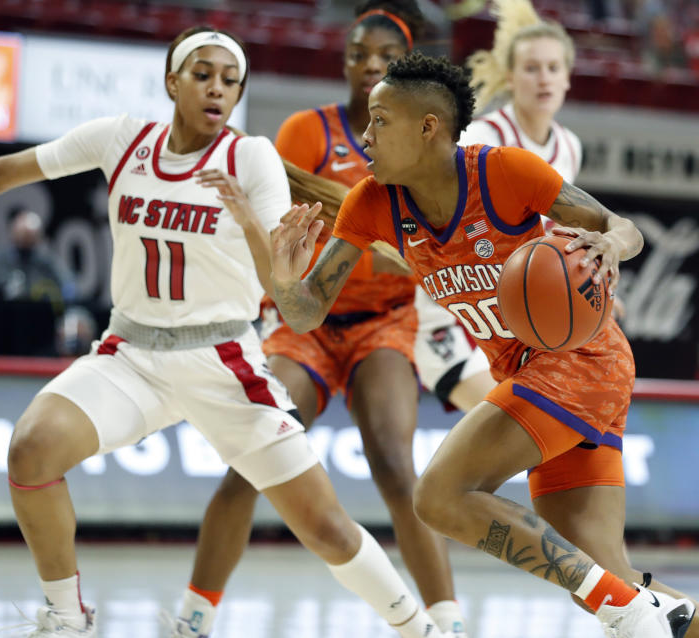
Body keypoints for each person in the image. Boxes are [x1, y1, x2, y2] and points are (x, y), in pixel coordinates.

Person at [0, 26, 449, 638]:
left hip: (223, 359)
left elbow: (281, 287)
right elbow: (0, 174)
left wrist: (245, 219)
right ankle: (66, 618)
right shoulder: (122, 139)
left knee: (325, 527)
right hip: (130, 355)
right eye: (203, 74)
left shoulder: (248, 157)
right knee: (31, 449)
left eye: (231, 81)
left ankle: (420, 628)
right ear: (172, 81)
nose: (217, 90)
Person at [268, 51, 699, 638]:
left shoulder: (504, 172)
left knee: (440, 496)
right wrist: (284, 281)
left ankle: (624, 611)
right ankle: (642, 610)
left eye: (380, 120)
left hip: (579, 361)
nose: (365, 136)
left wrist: (610, 248)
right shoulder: (372, 201)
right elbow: (307, 312)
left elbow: (619, 226)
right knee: (608, 573)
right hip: (535, 371)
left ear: (428, 127)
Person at [171, 6, 467, 638]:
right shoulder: (309, 129)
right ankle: (195, 617)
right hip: (305, 321)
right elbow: (277, 210)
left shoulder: (422, 144)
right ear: (345, 61)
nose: (369, 65)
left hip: (383, 323)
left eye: (385, 55)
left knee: (394, 463)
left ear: (406, 69)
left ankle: (447, 621)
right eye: (359, 53)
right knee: (253, 459)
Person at [414, 0, 583, 413]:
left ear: (567, 79)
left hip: (518, 324)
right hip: (455, 318)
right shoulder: (479, 139)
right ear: (511, 77)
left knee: (552, 438)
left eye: (553, 68)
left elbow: (555, 235)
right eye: (532, 68)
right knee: (521, 424)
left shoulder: (570, 147)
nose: (543, 78)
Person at [0, 207, 76, 307]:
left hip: (38, 316)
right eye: (21, 238)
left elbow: (69, 287)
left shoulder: (49, 262)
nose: (24, 244)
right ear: (12, 234)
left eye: (29, 239)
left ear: (38, 238)